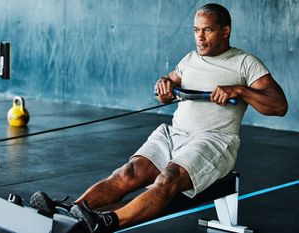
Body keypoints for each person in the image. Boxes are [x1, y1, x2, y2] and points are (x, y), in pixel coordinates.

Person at [29, 3, 288, 233]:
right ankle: (69, 211)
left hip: (213, 141)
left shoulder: (245, 63)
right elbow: (165, 89)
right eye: (196, 30)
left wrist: (240, 89)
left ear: (225, 30)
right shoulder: (189, 59)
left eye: (207, 30)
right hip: (174, 134)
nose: (199, 36)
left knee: (168, 177)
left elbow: (279, 106)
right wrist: (163, 86)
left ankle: (107, 222)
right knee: (128, 173)